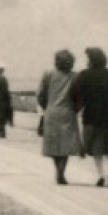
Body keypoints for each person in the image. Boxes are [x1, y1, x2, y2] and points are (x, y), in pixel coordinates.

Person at [72, 46, 108, 187]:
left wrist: (75, 110)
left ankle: (101, 176)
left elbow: (79, 96)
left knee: (96, 149)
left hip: (91, 116)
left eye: (87, 58)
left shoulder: (84, 75)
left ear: (91, 60)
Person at [37, 49, 83, 185]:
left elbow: (40, 94)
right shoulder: (76, 76)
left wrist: (46, 106)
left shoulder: (48, 74)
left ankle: (58, 170)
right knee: (66, 145)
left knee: (54, 144)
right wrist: (76, 109)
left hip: (51, 112)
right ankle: (61, 172)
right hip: (68, 112)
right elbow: (80, 97)